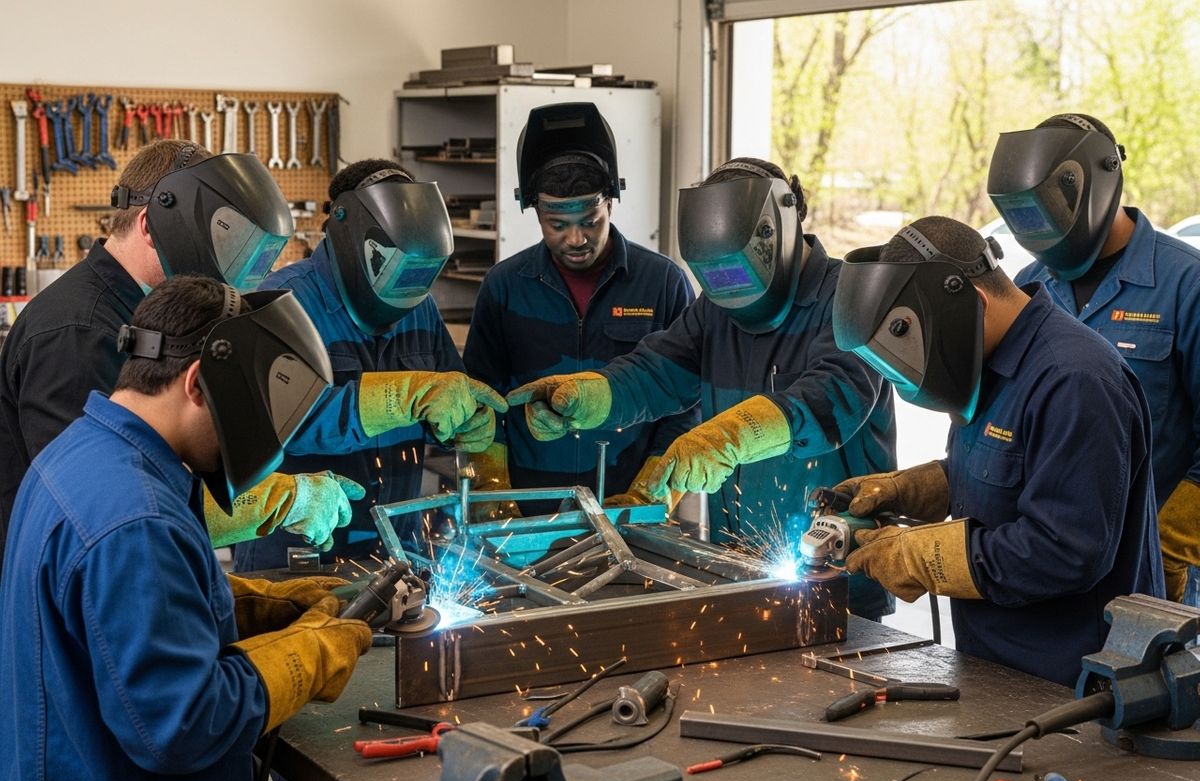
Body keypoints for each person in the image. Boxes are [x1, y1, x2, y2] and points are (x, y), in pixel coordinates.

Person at [0, 276, 372, 781]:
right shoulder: (136, 518)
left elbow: (109, 626)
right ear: (199, 383)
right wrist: (307, 654)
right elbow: (182, 723)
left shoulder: (77, 455)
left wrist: (239, 605)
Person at [508, 158, 897, 620]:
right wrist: (588, 395)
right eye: (713, 280)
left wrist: (728, 437)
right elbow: (655, 372)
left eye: (734, 276)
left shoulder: (852, 300)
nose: (728, 295)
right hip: (738, 569)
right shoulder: (715, 307)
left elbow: (833, 396)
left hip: (838, 579)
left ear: (781, 232)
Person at [831, 215, 1163, 686]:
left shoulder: (1075, 381)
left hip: (1072, 685)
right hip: (991, 667)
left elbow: (1066, 550)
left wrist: (923, 557)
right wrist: (911, 489)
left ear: (972, 306)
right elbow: (1004, 472)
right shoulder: (982, 364)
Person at [0, 140, 362, 570]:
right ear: (151, 225)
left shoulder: (138, 313)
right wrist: (283, 500)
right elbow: (100, 512)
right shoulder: (79, 332)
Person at [233, 159, 504, 574]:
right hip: (299, 554)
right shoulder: (281, 303)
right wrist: (398, 397)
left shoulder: (421, 308)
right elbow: (271, 424)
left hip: (398, 548)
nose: (407, 289)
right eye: (395, 268)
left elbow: (449, 391)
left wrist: (465, 422)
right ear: (352, 237)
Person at [988, 113, 1200, 607]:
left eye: (1043, 212)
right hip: (1055, 569)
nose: (1034, 232)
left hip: (1162, 581)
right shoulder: (1027, 286)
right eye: (1021, 217)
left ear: (1095, 185)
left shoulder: (1186, 285)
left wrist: (1168, 546)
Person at [464, 102, 697, 516]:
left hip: (626, 502)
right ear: (533, 210)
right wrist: (492, 488)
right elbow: (483, 397)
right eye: (557, 224)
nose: (575, 238)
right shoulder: (503, 287)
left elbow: (686, 401)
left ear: (611, 202)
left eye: (590, 220)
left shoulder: (662, 283)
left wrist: (653, 490)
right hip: (528, 505)